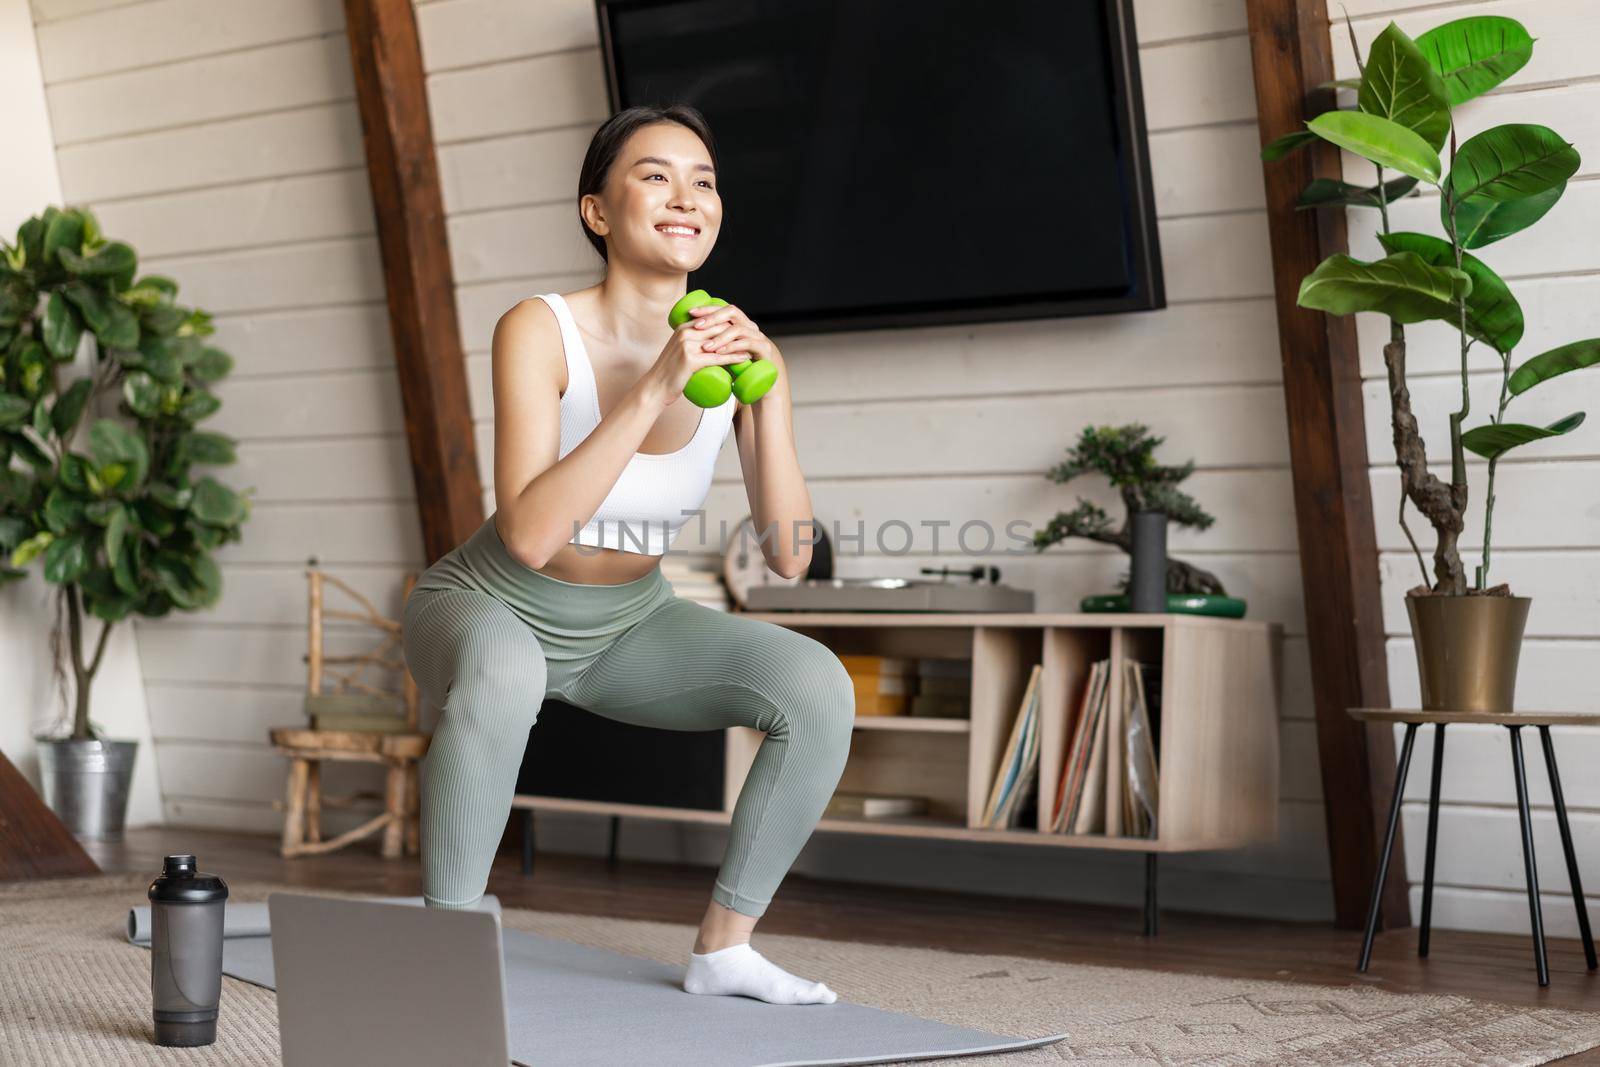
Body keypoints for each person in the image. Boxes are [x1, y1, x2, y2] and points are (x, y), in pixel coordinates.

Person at [400, 103, 855, 1006]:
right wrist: (656, 384)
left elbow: (791, 557)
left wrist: (773, 405)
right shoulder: (539, 327)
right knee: (501, 668)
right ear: (598, 211)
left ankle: (725, 949)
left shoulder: (732, 359)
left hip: (628, 626)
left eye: (705, 180)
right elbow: (530, 534)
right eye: (655, 174)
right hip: (488, 600)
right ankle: (443, 948)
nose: (686, 196)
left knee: (817, 686)